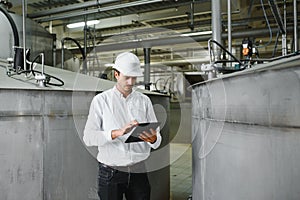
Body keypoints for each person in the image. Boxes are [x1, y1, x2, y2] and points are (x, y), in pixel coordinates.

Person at [83, 52, 162, 200]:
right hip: (110, 173)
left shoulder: (144, 101)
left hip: (139, 170)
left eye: (134, 78)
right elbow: (88, 137)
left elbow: (157, 137)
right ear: (116, 75)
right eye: (127, 77)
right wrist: (116, 133)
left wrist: (153, 139)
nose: (131, 82)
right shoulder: (101, 101)